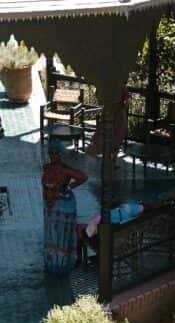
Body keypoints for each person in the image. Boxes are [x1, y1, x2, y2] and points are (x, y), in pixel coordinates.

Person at [41, 139, 87, 275]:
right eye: (51, 153)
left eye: (56, 153)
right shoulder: (47, 167)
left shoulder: (65, 169)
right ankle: (52, 262)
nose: (53, 155)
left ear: (60, 154)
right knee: (52, 233)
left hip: (62, 206)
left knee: (62, 235)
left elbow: (83, 177)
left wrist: (69, 186)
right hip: (50, 207)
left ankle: (62, 264)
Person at [85, 84, 129, 157]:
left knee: (116, 136)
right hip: (111, 112)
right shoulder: (110, 84)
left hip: (117, 113)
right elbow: (98, 95)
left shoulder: (119, 84)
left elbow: (126, 100)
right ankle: (107, 158)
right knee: (105, 134)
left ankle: (110, 159)